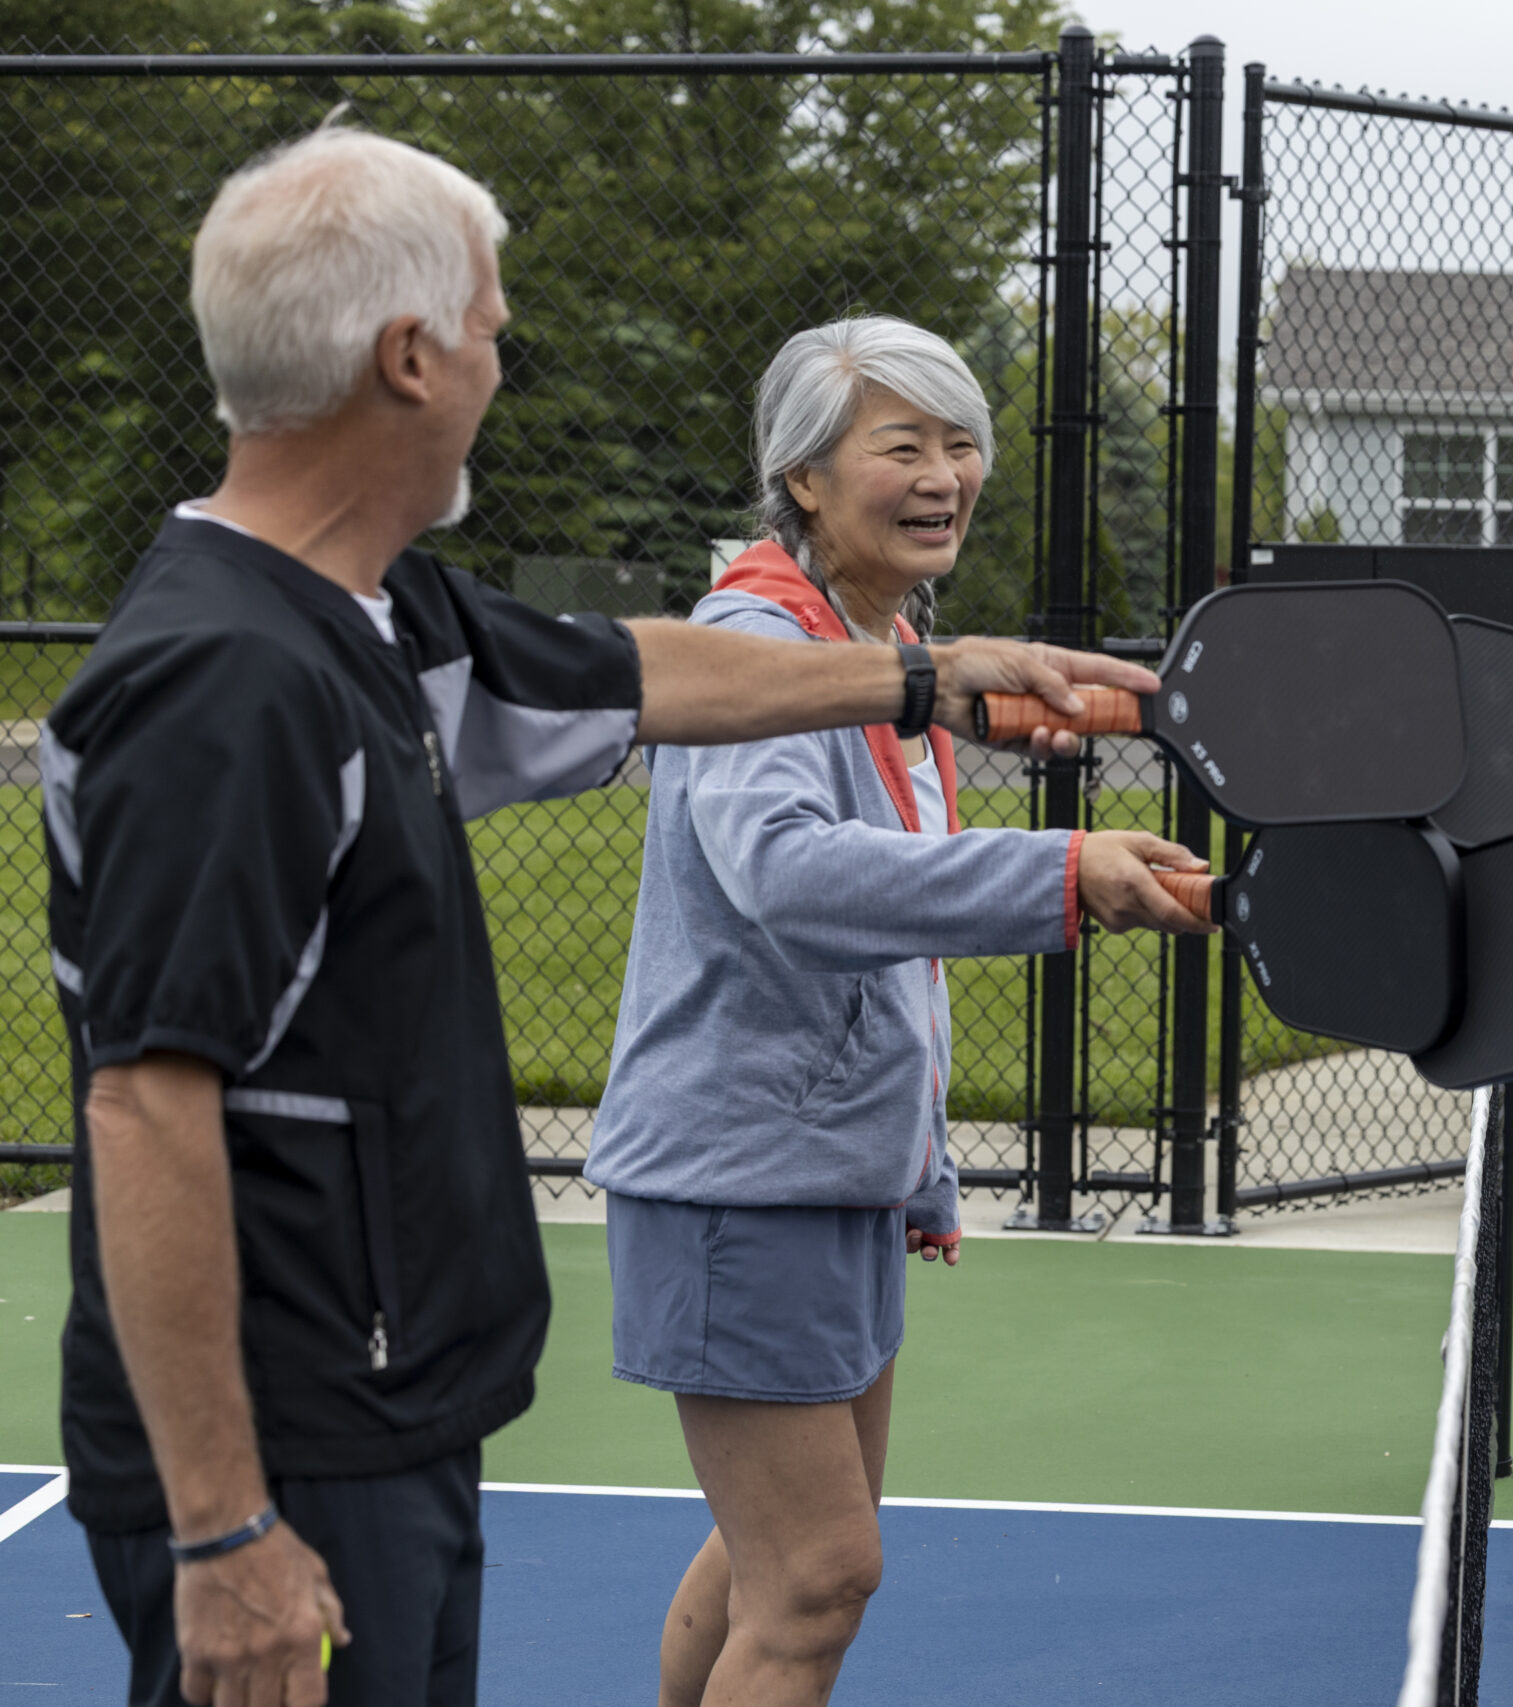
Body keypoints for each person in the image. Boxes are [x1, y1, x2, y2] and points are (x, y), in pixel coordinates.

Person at [43, 127, 1188, 1707]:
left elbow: (652, 676)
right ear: (408, 358)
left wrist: (942, 678)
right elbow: (144, 1104)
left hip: (396, 1400)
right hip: (288, 1436)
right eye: (495, 333)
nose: (505, 368)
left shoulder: (384, 615)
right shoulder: (230, 690)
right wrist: (226, 1526)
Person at [581, 317, 1206, 1707]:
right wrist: (1064, 872)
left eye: (963, 441)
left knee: (779, 1564)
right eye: (902, 444)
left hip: (827, 1173)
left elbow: (880, 963)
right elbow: (792, 881)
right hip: (742, 1177)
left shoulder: (876, 634)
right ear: (805, 477)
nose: (946, 473)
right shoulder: (757, 641)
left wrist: (911, 1165)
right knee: (815, 1576)